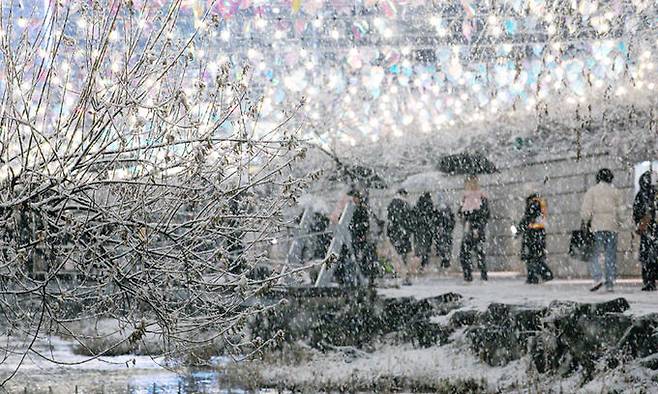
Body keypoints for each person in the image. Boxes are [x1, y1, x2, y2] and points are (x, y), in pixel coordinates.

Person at [580, 168, 623, 292]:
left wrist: (585, 221)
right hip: (612, 226)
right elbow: (621, 209)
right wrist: (622, 223)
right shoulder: (615, 192)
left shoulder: (592, 191)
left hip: (597, 226)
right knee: (611, 255)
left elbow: (586, 211)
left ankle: (598, 277)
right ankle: (610, 282)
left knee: (595, 253)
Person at [458, 175, 490, 281]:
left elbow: (485, 214)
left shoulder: (481, 196)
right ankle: (468, 275)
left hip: (476, 228)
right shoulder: (465, 197)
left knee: (478, 252)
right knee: (465, 253)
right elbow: (460, 212)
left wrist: (477, 224)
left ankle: (482, 275)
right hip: (468, 228)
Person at [517, 193, 554, 284]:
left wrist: (519, 230)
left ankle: (542, 274)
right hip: (539, 232)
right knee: (535, 256)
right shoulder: (540, 203)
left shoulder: (534, 204)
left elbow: (527, 218)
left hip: (532, 233)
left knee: (532, 257)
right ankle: (533, 276)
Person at [633, 171, 657, 291]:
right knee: (653, 254)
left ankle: (649, 281)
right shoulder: (655, 193)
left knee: (647, 255)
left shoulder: (641, 194)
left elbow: (636, 211)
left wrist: (639, 222)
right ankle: (651, 279)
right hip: (654, 228)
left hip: (647, 228)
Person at [348, 189, 378, 286]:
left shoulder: (360, 209)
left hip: (359, 237)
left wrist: (359, 232)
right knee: (360, 258)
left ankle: (364, 278)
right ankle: (362, 278)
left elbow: (365, 224)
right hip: (356, 237)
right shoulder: (354, 209)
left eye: (355, 197)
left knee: (362, 258)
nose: (354, 199)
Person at [387, 189, 413, 282]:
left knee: (398, 256)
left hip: (396, 234)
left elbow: (392, 220)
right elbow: (403, 220)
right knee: (402, 256)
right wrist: (406, 231)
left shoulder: (393, 204)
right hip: (401, 234)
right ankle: (404, 276)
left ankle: (402, 275)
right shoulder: (402, 204)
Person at [413, 192, 435, 270]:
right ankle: (423, 264)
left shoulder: (418, 204)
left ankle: (418, 264)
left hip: (419, 228)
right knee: (426, 247)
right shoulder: (430, 203)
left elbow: (414, 214)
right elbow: (431, 215)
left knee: (419, 247)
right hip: (426, 228)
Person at [434, 195, 455, 268]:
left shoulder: (438, 210)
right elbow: (452, 220)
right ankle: (446, 261)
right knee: (446, 246)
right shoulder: (447, 210)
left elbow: (435, 221)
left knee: (442, 246)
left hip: (442, 231)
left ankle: (444, 260)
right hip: (445, 231)